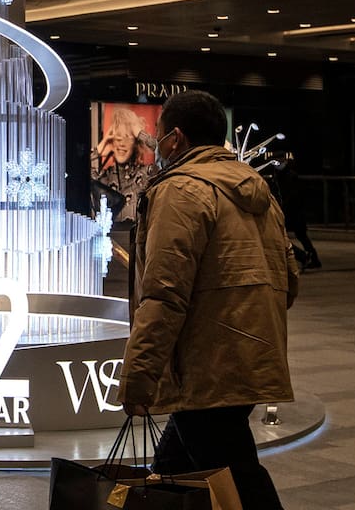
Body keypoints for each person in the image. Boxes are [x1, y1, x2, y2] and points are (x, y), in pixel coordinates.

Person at [118, 90, 300, 510]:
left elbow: (164, 294)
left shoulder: (181, 192)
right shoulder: (258, 192)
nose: (157, 145)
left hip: (206, 367)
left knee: (238, 481)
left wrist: (139, 376)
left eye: (159, 135)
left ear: (176, 138)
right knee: (173, 471)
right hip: (249, 360)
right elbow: (289, 281)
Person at [91, 106, 157, 223]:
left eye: (127, 138)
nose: (122, 144)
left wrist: (140, 134)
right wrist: (99, 149)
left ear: (136, 143)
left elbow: (165, 155)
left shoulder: (148, 174)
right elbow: (77, 169)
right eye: (118, 138)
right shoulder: (104, 177)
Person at [273, 152, 322, 269]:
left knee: (287, 236)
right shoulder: (280, 174)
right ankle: (311, 258)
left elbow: (293, 195)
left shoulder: (289, 175)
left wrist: (284, 208)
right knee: (300, 236)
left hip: (292, 212)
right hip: (292, 211)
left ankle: (305, 257)